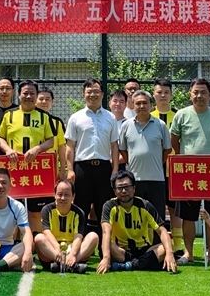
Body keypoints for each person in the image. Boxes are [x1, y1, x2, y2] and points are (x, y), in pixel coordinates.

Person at [170, 77, 210, 265]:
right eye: (196, 92)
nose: (199, 96)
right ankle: (188, 253)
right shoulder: (181, 115)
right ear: (190, 94)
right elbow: (174, 141)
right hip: (188, 173)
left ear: (209, 95)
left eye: (203, 92)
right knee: (188, 216)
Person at [0, 79, 56, 229]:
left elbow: (51, 141)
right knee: (12, 210)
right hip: (14, 168)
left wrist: (37, 149)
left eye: (32, 93)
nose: (28, 96)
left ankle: (35, 241)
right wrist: (8, 150)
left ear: (36, 96)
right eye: (25, 93)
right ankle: (13, 240)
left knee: (35, 212)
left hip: (35, 169)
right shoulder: (9, 115)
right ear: (18, 95)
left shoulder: (43, 116)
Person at [97, 171, 177, 273]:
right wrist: (106, 258)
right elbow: (106, 232)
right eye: (120, 188)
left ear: (134, 188)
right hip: (121, 251)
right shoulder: (109, 206)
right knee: (108, 245)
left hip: (144, 251)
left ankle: (127, 266)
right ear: (114, 191)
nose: (124, 191)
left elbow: (162, 231)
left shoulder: (145, 205)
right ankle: (142, 264)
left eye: (127, 187)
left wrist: (170, 254)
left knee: (167, 247)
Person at [65, 78, 120, 223]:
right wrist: (70, 170)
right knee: (81, 207)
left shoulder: (111, 117)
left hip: (104, 168)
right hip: (82, 168)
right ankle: (80, 237)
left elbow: (114, 145)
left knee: (105, 208)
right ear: (83, 94)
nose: (92, 95)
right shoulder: (75, 118)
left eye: (96, 91)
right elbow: (70, 146)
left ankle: (105, 238)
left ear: (102, 94)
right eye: (89, 92)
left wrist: (115, 170)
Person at [118, 90, 171, 218]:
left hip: (156, 179)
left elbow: (167, 149)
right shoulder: (126, 125)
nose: (141, 106)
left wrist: (157, 161)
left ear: (151, 105)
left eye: (145, 103)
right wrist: (132, 161)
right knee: (136, 218)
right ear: (133, 105)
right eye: (138, 103)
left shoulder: (160, 125)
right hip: (134, 180)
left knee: (157, 218)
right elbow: (123, 149)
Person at [35, 180, 98, 273]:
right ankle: (72, 266)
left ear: (73, 196)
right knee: (39, 238)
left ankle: (64, 264)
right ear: (55, 195)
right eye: (60, 194)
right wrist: (57, 248)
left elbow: (78, 236)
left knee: (93, 236)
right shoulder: (46, 210)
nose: (63, 198)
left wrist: (73, 254)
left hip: (72, 249)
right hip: (53, 251)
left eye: (67, 195)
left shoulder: (79, 213)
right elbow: (46, 231)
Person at [150, 77, 182, 252]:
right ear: (154, 94)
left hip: (174, 168)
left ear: (171, 95)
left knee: (174, 207)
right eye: (159, 92)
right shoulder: (147, 116)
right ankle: (154, 242)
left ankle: (178, 246)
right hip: (154, 167)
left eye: (166, 92)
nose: (163, 95)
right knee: (154, 205)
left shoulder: (179, 115)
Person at [35, 85, 69, 182]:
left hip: (51, 167)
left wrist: (63, 170)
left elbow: (62, 147)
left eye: (47, 99)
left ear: (53, 102)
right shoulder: (28, 120)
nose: (44, 102)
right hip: (32, 165)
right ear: (35, 100)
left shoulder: (57, 122)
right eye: (41, 99)